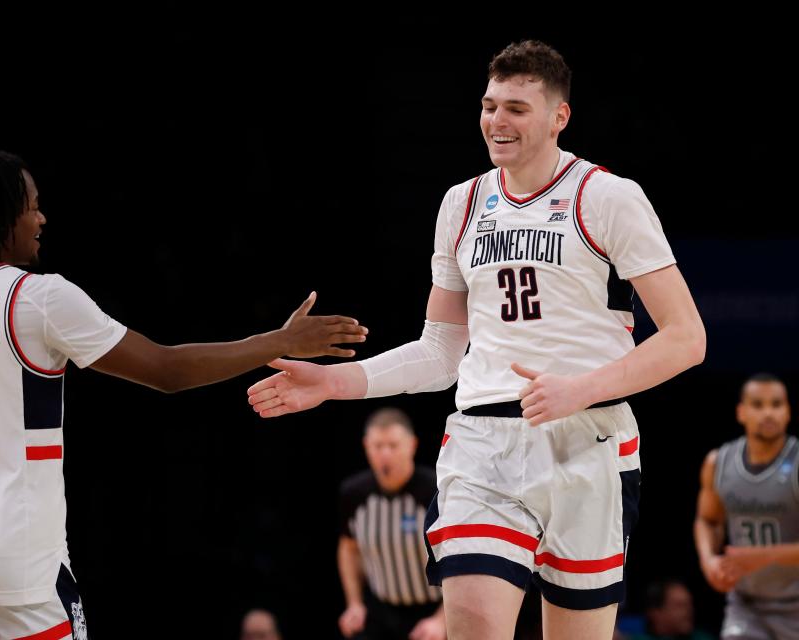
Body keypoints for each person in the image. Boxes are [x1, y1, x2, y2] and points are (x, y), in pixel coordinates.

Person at [248, 39, 706, 639]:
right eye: (490, 105)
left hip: (587, 441)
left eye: (516, 108)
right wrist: (335, 382)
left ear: (558, 116)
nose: (497, 121)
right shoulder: (460, 204)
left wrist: (581, 389)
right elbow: (440, 351)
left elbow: (686, 338)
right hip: (481, 447)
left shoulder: (609, 197)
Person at [0, 149, 368, 640]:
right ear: (1, 216)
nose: (42, 219)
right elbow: (166, 369)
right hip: (17, 561)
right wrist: (277, 342)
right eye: (32, 207)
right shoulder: (37, 298)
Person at [694, 373, 799, 640]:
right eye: (758, 404)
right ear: (741, 412)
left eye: (776, 404)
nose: (768, 413)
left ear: (787, 412)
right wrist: (709, 561)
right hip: (746, 604)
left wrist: (764, 556)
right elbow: (708, 520)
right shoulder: (718, 462)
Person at [338, 408, 444, 640]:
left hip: (433, 608)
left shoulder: (436, 492)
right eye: (378, 446)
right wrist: (354, 603)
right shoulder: (354, 494)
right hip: (381, 610)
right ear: (366, 446)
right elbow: (348, 548)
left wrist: (441, 620)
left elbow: (462, 558)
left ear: (412, 445)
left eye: (393, 445)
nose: (385, 454)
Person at [631, 579, 715, 640]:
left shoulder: (703, 637)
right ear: (656, 613)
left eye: (689, 605)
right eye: (680, 606)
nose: (689, 611)